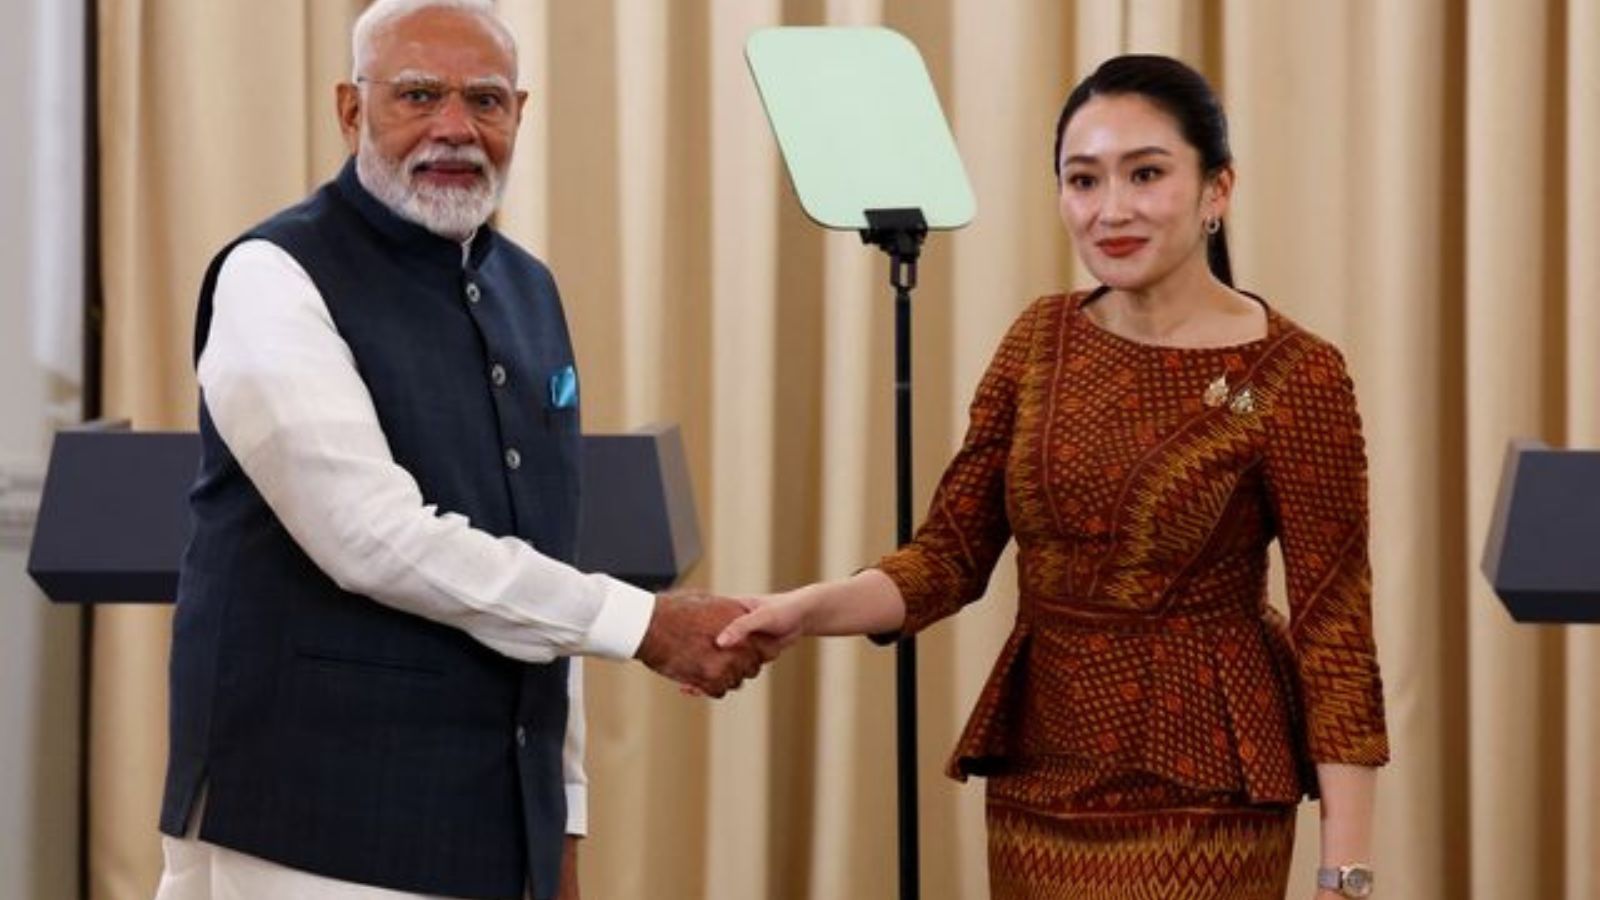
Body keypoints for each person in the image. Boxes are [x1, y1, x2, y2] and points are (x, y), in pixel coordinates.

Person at [719, 54, 1388, 899]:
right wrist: (808, 608)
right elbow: (950, 557)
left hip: (1206, 784)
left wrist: (1346, 874)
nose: (1111, 209)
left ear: (1217, 189)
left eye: (1146, 174)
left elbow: (1337, 633)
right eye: (1083, 180)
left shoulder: (1298, 373)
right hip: (1042, 771)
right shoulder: (1038, 339)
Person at [153, 2, 761, 899]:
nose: (454, 128)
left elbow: (546, 557)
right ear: (351, 111)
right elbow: (369, 537)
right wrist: (643, 625)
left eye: (484, 100)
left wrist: (561, 815)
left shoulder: (529, 289)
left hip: (492, 821)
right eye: (418, 95)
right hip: (308, 819)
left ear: (521, 113)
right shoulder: (272, 273)